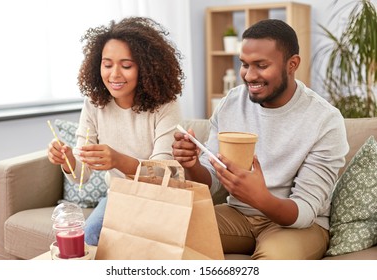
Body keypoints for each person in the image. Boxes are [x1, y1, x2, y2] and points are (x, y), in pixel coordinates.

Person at [172, 19, 349, 260]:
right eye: (244, 64)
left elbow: (306, 210)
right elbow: (211, 180)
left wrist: (261, 198)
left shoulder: (325, 120)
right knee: (169, 229)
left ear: (292, 64)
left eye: (261, 65)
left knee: (274, 261)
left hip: (298, 226)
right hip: (238, 214)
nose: (249, 75)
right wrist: (192, 164)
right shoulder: (231, 103)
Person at [48, 16, 185, 245]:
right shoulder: (94, 103)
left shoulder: (165, 105)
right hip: (119, 197)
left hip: (159, 200)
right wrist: (68, 159)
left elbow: (164, 174)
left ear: (147, 67)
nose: (114, 75)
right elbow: (82, 176)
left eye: (126, 65)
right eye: (107, 64)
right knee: (90, 237)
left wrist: (119, 161)